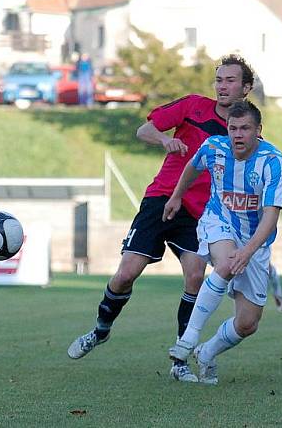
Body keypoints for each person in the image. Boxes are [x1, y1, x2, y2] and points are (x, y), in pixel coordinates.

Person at [67, 55, 255, 383]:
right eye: (219, 80)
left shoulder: (242, 131)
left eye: (230, 81)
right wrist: (165, 139)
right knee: (126, 274)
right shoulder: (193, 106)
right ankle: (100, 329)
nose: (222, 86)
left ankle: (180, 358)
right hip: (161, 199)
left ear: (246, 88)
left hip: (199, 213)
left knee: (195, 275)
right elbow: (145, 129)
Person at [165, 100, 282, 385]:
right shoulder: (214, 148)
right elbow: (192, 168)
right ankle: (189, 338)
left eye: (245, 128)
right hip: (218, 221)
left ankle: (206, 352)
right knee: (227, 261)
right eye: (233, 128)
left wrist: (249, 250)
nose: (238, 134)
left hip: (255, 240)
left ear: (259, 130)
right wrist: (176, 196)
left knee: (247, 324)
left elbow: (271, 216)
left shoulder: (273, 162)